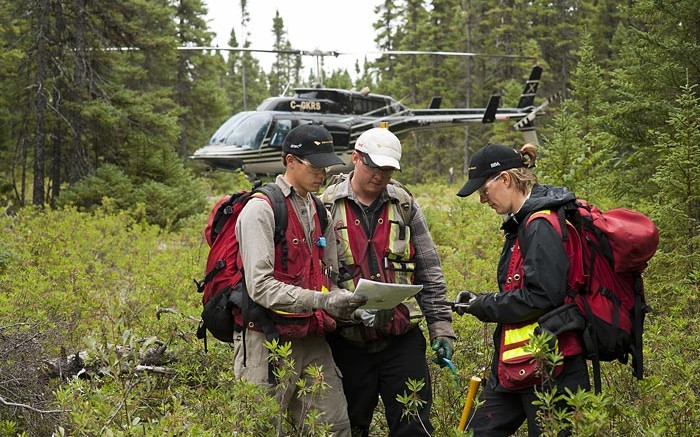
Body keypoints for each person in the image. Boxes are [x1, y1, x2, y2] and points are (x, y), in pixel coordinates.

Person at [321, 127, 456, 436]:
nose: (380, 175)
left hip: (402, 339)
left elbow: (429, 270)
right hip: (347, 344)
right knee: (351, 427)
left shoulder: (404, 204)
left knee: (414, 427)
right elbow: (315, 277)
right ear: (355, 158)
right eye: (373, 166)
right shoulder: (324, 207)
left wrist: (441, 328)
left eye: (387, 168)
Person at [235, 124, 367, 436]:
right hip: (265, 341)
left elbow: (328, 277)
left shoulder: (320, 209)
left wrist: (347, 304)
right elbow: (260, 287)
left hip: (312, 337)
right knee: (263, 429)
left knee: (334, 428)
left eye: (326, 164)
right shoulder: (260, 210)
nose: (322, 172)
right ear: (290, 161)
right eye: (315, 164)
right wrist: (324, 300)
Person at [454, 142, 590, 436]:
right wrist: (481, 301)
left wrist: (484, 305)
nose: (482, 200)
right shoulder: (522, 223)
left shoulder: (539, 225)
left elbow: (541, 297)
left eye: (483, 190)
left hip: (553, 368)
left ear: (505, 179)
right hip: (517, 366)